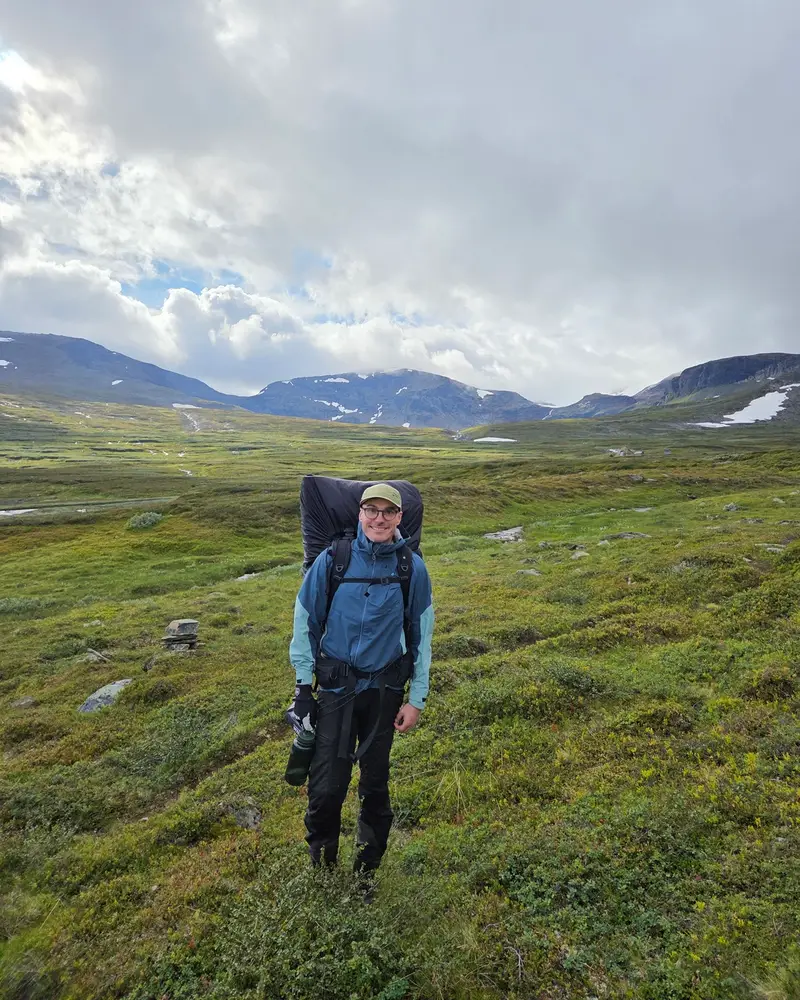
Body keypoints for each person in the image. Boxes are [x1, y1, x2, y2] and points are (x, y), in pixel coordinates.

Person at [288, 483, 434, 884]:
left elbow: (423, 636)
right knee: (326, 789)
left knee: (375, 788)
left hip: (384, 695)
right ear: (360, 514)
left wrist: (416, 699)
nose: (379, 519)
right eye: (372, 510)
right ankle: (323, 870)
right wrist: (303, 689)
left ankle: (366, 876)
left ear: (400, 518)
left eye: (388, 512)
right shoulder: (332, 561)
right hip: (335, 692)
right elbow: (305, 623)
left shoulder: (411, 568)